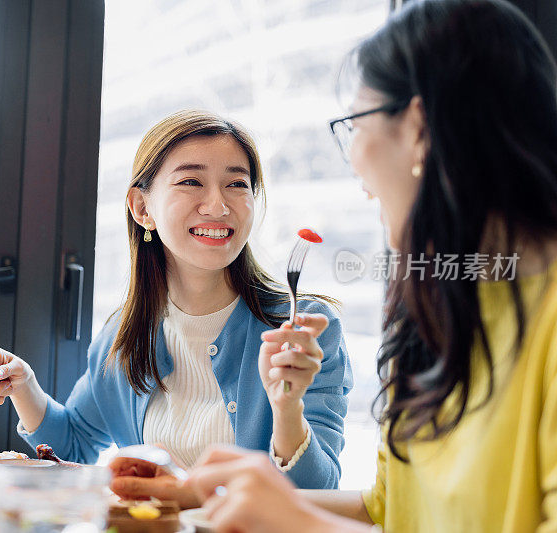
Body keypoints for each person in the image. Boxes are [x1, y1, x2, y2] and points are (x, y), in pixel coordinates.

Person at [186, 0, 557, 531]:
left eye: (354, 123)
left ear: (419, 128)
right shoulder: (438, 311)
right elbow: (389, 511)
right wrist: (197, 493)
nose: (354, 162)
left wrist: (300, 521)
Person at [0, 110, 353, 507]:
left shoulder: (302, 331)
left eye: (237, 184)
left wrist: (287, 409)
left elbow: (316, 495)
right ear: (142, 208)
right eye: (191, 181)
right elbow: (74, 443)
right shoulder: (122, 336)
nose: (218, 206)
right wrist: (25, 387)